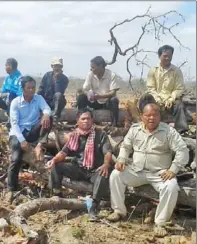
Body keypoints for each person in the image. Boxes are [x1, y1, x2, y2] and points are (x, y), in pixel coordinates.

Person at [107, 103, 189, 237]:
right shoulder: (135, 129)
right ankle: (119, 211)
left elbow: (183, 151)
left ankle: (160, 223)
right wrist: (121, 159)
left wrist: (173, 169)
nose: (151, 118)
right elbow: (126, 146)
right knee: (116, 175)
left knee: (171, 186)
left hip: (160, 173)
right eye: (148, 115)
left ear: (159, 116)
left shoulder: (168, 131)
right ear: (142, 117)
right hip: (137, 170)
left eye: (155, 115)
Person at [46, 107, 113, 221]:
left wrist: (106, 164)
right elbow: (64, 152)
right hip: (79, 168)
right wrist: (54, 160)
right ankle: (57, 196)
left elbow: (108, 152)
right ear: (78, 121)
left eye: (88, 118)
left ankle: (94, 207)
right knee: (56, 166)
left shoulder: (100, 134)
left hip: (95, 170)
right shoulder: (75, 136)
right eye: (83, 119)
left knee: (103, 173)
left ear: (92, 120)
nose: (86, 121)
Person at [5, 76, 52, 203]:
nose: (31, 90)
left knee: (49, 119)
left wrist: (46, 114)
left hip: (32, 131)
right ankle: (11, 190)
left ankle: (40, 144)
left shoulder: (38, 98)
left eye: (33, 88)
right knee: (16, 159)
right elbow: (14, 124)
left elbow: (47, 109)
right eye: (28, 88)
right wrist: (22, 141)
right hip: (18, 133)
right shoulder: (15, 102)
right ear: (22, 89)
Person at [139, 44, 188, 134]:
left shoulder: (176, 71)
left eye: (170, 56)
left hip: (170, 101)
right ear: (159, 56)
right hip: (156, 100)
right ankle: (143, 124)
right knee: (145, 97)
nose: (167, 58)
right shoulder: (153, 70)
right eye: (165, 56)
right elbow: (151, 88)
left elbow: (179, 88)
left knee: (179, 104)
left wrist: (171, 99)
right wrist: (158, 99)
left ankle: (181, 131)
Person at [78, 56, 121, 127]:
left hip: (107, 102)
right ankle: (80, 121)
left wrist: (100, 96)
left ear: (100, 66)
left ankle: (114, 125)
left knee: (114, 100)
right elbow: (84, 90)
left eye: (93, 67)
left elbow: (113, 93)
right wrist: (88, 94)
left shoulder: (111, 75)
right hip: (94, 101)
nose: (91, 69)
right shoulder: (90, 74)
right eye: (91, 67)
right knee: (81, 97)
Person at [38, 57, 69, 122]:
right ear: (52, 66)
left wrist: (57, 79)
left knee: (58, 95)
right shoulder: (47, 75)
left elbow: (58, 92)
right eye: (55, 66)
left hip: (57, 103)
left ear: (61, 67)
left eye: (59, 66)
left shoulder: (65, 79)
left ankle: (55, 118)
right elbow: (41, 89)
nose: (57, 68)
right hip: (46, 101)